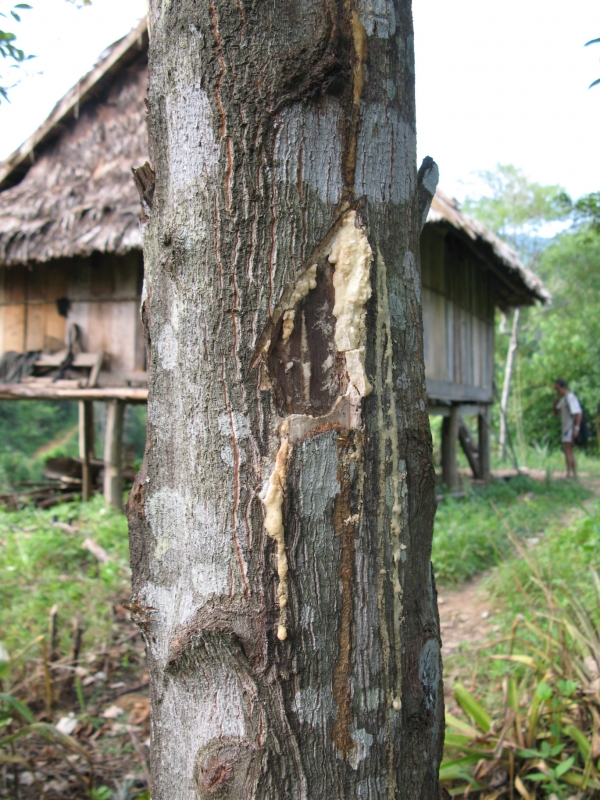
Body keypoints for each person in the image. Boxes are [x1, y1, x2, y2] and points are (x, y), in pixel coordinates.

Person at [553, 379, 583, 478]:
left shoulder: (570, 398)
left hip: (569, 428)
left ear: (564, 387)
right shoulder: (564, 399)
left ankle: (571, 474)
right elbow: (556, 413)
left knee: (568, 450)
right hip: (566, 428)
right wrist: (554, 404)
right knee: (568, 451)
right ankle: (572, 473)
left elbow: (579, 413)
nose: (557, 392)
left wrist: (576, 428)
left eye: (558, 389)